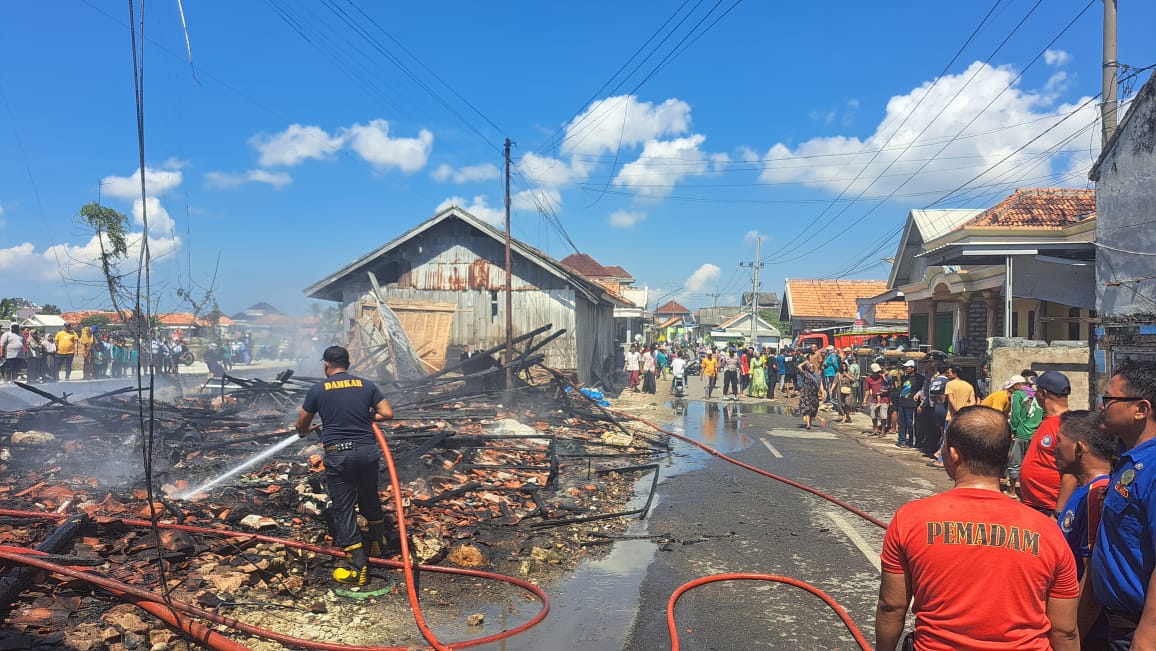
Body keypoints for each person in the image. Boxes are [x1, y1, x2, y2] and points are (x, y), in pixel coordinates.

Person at [875, 405, 1080, 651]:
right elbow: (1064, 630)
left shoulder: (910, 519)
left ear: (952, 455)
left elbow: (892, 606)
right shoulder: (1048, 531)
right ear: (1005, 458)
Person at [296, 346, 395, 587]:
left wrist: (303, 431)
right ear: (348, 364)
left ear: (326, 365)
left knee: (343, 507)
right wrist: (363, 417)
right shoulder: (366, 385)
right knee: (369, 496)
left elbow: (302, 423)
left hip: (339, 455)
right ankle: (377, 543)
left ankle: (356, 566)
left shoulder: (318, 389)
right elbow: (387, 413)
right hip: (367, 452)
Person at [1086, 360, 1156, 647]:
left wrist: (1147, 634)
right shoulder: (1129, 459)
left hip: (1138, 630)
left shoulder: (1152, 468)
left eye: (1109, 399)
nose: (1102, 407)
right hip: (1115, 624)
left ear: (1141, 409)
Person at [1054, 409, 1112, 650]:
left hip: (1086, 631)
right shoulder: (1080, 490)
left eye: (1058, 442)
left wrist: (1070, 635)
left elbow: (1091, 576)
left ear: (1079, 448)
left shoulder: (1096, 494)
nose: (1053, 449)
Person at [1019, 371, 1077, 518]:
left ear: (1043, 393)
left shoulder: (1066, 425)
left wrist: (1058, 513)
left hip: (1049, 508)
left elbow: (1071, 473)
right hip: (1035, 504)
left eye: (1036, 390)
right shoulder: (1048, 421)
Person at [1010, 373, 1046, 497]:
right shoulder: (1038, 395)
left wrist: (1013, 430)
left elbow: (1015, 414)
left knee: (1015, 462)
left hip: (1022, 432)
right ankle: (1030, 491)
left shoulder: (1017, 395)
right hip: (1035, 434)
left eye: (1012, 387)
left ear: (1018, 385)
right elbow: (1044, 413)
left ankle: (1012, 491)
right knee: (1032, 463)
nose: (1011, 390)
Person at [895, 360, 924, 449]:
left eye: (908, 367)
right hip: (902, 402)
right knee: (902, 423)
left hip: (912, 404)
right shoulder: (904, 378)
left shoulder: (919, 378)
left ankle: (913, 441)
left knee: (911, 423)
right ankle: (902, 441)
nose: (906, 369)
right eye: (905, 367)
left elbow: (923, 389)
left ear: (913, 368)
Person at [797, 361, 827, 430]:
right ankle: (808, 424)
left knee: (813, 410)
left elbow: (820, 384)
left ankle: (810, 423)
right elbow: (799, 367)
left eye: (812, 367)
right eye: (809, 367)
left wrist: (822, 392)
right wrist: (805, 362)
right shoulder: (805, 374)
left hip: (814, 395)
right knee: (807, 409)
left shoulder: (817, 376)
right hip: (806, 394)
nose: (811, 368)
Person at [863, 363, 890, 436]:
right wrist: (865, 400)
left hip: (884, 399)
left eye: (877, 372)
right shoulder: (869, 379)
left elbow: (889, 384)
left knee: (883, 416)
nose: (876, 374)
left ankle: (883, 430)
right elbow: (867, 390)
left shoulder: (882, 377)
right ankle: (875, 429)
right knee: (873, 415)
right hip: (874, 399)